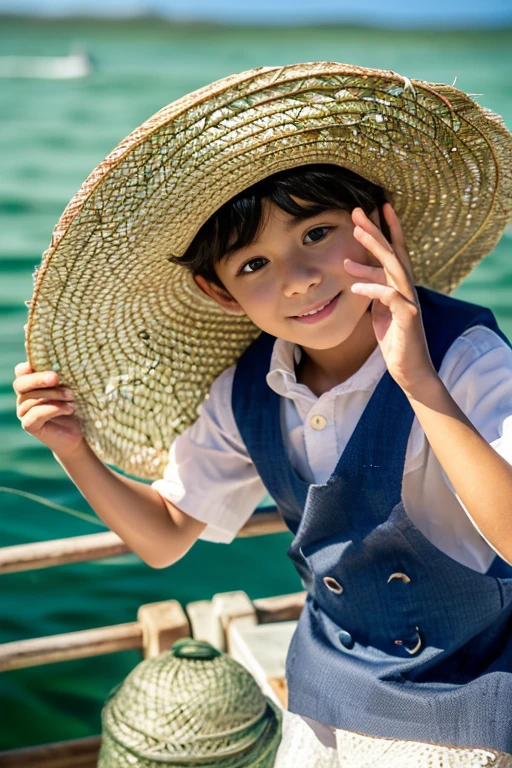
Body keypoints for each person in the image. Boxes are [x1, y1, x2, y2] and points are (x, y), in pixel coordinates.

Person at [13, 63, 512, 765]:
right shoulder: (247, 388)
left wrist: (418, 380)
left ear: (382, 227)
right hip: (327, 679)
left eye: (315, 233)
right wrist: (72, 449)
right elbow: (164, 539)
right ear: (217, 292)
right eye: (253, 265)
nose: (299, 279)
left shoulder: (466, 357)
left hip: (469, 685)